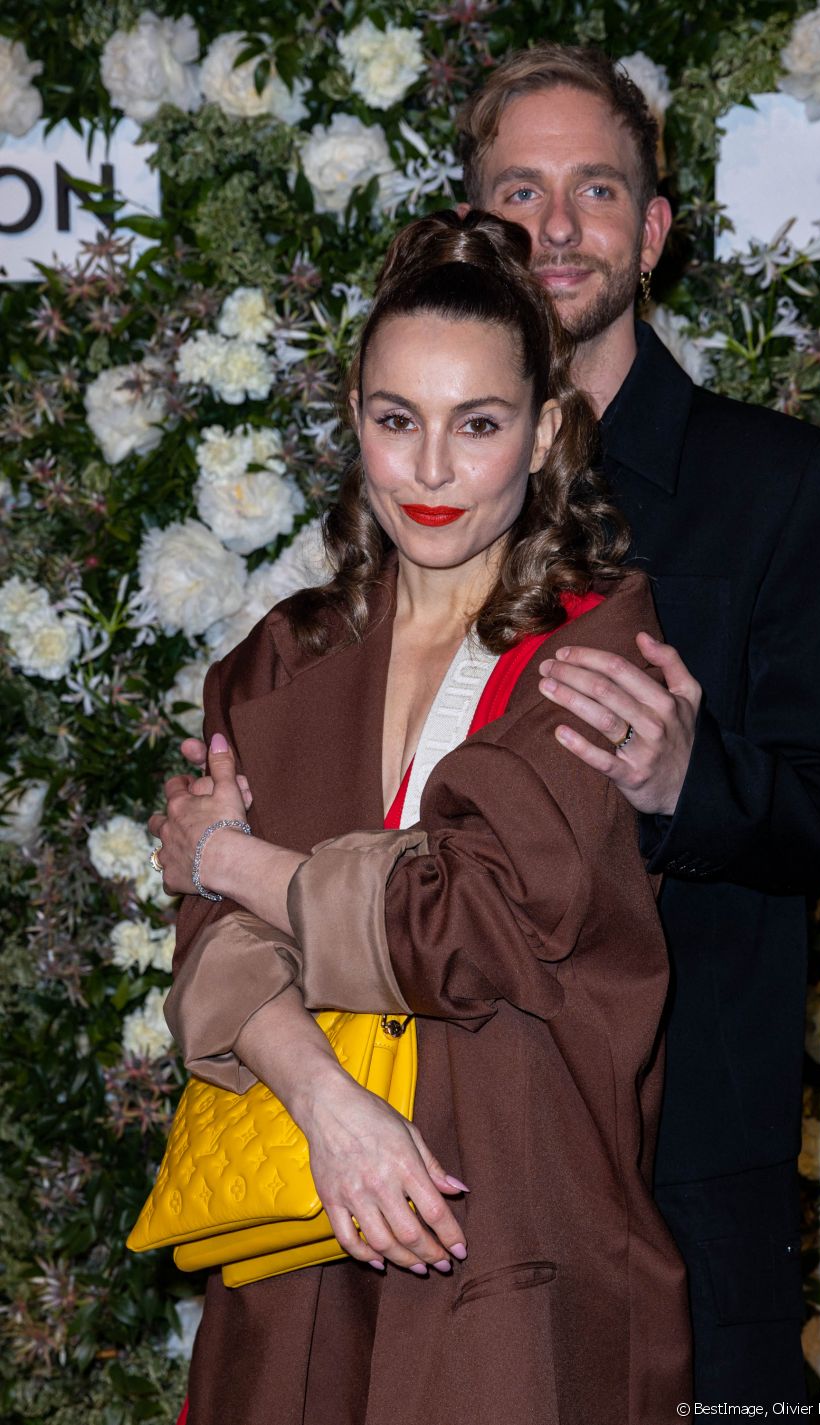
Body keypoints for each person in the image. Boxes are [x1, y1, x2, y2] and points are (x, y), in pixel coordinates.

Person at [151, 209, 691, 1424]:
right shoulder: (277, 661)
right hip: (298, 1235)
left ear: (546, 431)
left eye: (479, 425)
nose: (432, 471)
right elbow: (211, 953)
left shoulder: (598, 649)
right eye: (397, 423)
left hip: (509, 1227)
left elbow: (471, 922)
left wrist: (230, 855)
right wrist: (331, 1108)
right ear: (356, 420)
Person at [447, 44, 820, 1409]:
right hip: (452, 1146)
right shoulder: (423, 478)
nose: (556, 225)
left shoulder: (779, 482)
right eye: (519, 190)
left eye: (594, 190)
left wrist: (688, 774)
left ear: (651, 230)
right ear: (473, 227)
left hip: (690, 1152)